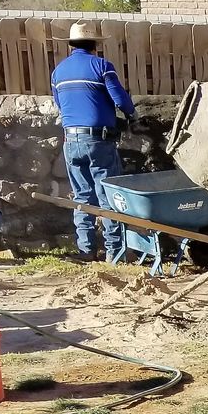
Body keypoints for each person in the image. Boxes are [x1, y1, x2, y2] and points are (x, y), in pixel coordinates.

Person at [50, 20, 137, 262]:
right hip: (98, 140)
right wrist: (132, 114)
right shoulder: (101, 66)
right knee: (107, 195)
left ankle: (86, 250)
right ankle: (114, 251)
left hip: (71, 140)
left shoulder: (58, 72)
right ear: (95, 45)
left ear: (71, 45)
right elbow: (120, 99)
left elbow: (59, 104)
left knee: (82, 196)